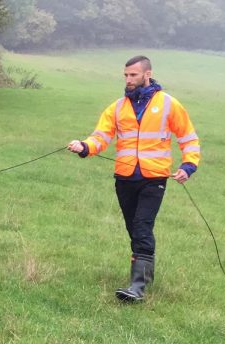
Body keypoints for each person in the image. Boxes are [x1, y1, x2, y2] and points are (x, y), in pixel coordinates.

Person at [68, 55, 201, 302]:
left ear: (147, 74)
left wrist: (189, 165)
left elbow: (188, 138)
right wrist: (84, 146)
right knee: (134, 229)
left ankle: (137, 288)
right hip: (125, 178)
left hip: (154, 178)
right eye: (126, 75)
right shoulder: (117, 107)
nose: (128, 80)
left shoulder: (169, 104)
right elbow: (101, 137)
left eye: (133, 75)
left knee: (141, 226)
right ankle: (144, 275)